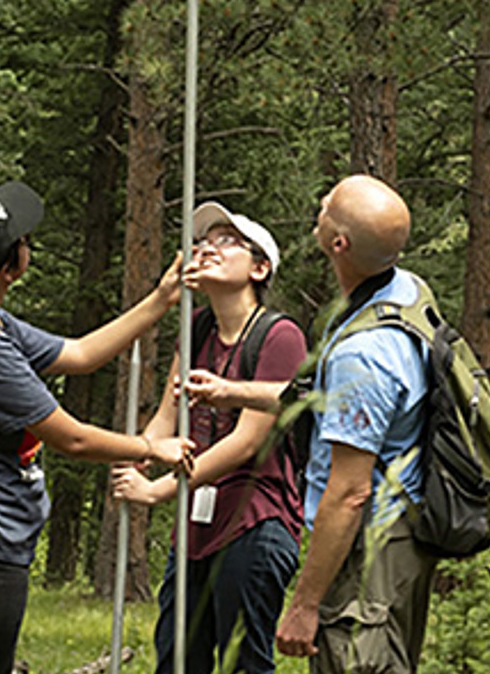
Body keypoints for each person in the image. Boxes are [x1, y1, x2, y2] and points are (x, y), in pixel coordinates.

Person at [0, 180, 193, 674]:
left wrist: (160, 300)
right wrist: (151, 447)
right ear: (10, 269)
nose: (29, 245)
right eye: (24, 241)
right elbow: (72, 437)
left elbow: (81, 354)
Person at [186, 174, 436, 674]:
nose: (320, 203)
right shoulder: (400, 292)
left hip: (367, 548)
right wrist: (232, 390)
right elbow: (326, 400)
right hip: (398, 535)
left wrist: (303, 605)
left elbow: (349, 493)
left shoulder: (364, 353)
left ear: (338, 244)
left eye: (329, 206)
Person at [110, 203, 307, 674]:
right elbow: (166, 416)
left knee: (243, 662)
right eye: (204, 241)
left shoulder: (279, 336)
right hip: (194, 525)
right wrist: (137, 454)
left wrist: (157, 491)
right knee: (177, 658)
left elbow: (245, 442)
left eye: (226, 241)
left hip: (253, 521)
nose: (208, 248)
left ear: (260, 267)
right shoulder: (195, 329)